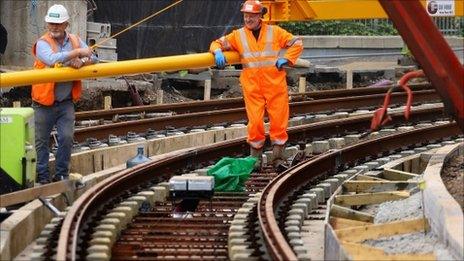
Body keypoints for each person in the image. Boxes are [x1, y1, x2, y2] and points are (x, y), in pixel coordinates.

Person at [209, 0, 303, 170]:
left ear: (260, 16)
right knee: (255, 123)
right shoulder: (238, 35)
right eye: (246, 16)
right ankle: (255, 161)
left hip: (274, 84)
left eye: (251, 16)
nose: (248, 19)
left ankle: (278, 158)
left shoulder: (275, 32)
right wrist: (216, 51)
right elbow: (217, 43)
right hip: (253, 87)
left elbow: (297, 42)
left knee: (279, 122)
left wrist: (287, 59)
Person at [32, 4, 98, 184]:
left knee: (67, 138)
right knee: (41, 142)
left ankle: (61, 175)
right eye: (51, 23)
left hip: (65, 103)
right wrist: (76, 54)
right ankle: (43, 177)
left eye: (58, 24)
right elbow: (52, 60)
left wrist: (82, 61)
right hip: (43, 104)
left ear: (66, 25)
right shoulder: (42, 43)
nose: (53, 27)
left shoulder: (75, 39)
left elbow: (94, 57)